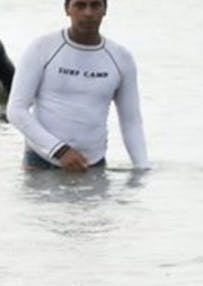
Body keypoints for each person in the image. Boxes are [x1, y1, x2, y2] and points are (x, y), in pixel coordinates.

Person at [7, 0, 149, 172]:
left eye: (95, 5)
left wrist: (143, 169)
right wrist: (60, 150)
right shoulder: (41, 48)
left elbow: (131, 122)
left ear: (105, 10)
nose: (88, 13)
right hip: (41, 162)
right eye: (80, 5)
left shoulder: (121, 57)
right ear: (67, 9)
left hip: (92, 165)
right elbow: (16, 110)